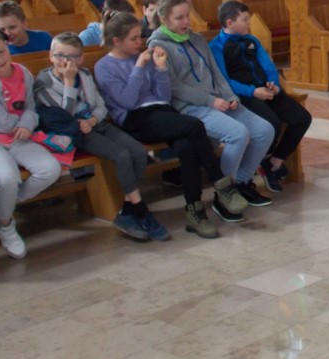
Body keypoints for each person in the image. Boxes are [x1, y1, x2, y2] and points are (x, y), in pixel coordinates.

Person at [94, 12, 248, 239]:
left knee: (187, 148)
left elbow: (163, 97)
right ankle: (221, 183)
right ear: (116, 41)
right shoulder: (104, 66)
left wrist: (160, 69)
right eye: (134, 39)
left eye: (140, 36)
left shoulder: (143, 57)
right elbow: (127, 102)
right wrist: (139, 67)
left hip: (161, 112)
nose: (140, 42)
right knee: (195, 125)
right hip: (134, 118)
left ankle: (195, 213)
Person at [148, 0, 275, 219]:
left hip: (219, 100)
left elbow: (215, 73)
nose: (186, 22)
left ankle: (241, 182)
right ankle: (223, 194)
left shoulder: (196, 39)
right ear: (164, 19)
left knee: (264, 130)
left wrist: (230, 96)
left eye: (187, 15)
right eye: (179, 18)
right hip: (190, 107)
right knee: (238, 134)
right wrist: (210, 101)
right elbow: (174, 87)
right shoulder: (158, 45)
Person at [33, 32, 168, 241]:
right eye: (59, 55)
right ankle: (141, 209)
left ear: (80, 58)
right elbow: (63, 117)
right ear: (51, 56)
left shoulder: (85, 75)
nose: (64, 61)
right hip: (75, 133)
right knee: (121, 155)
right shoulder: (43, 84)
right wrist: (68, 83)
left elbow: (100, 105)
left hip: (95, 123)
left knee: (138, 151)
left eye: (71, 57)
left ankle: (127, 211)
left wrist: (93, 120)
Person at [0, 27, 62, 258]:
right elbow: (2, 123)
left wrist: (28, 122)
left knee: (50, 169)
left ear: (7, 47)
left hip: (18, 136)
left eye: (2, 52)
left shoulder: (22, 72)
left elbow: (31, 107)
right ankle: (5, 224)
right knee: (7, 178)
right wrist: (24, 122)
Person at [209, 0, 311, 190]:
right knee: (271, 123)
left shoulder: (252, 40)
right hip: (245, 95)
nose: (249, 23)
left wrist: (274, 84)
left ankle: (274, 161)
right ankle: (258, 162)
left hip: (267, 90)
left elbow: (268, 66)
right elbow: (223, 81)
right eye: (245, 19)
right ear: (230, 22)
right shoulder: (216, 46)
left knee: (302, 118)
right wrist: (253, 91)